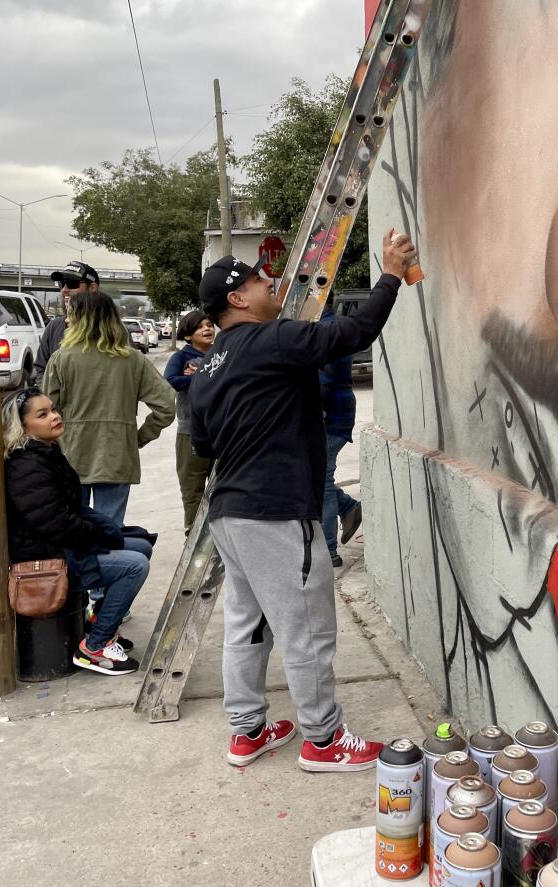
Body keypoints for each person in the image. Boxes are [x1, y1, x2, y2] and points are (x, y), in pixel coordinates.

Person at [187, 230, 416, 771]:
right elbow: (353, 333)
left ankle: (247, 732)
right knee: (307, 625)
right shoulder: (272, 340)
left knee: (248, 625)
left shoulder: (208, 366)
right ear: (237, 299)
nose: (272, 284)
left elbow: (202, 445)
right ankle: (323, 739)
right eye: (260, 281)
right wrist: (389, 274)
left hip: (230, 514)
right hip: (276, 512)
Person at [3, 387, 153, 675]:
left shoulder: (46, 452)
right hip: (45, 561)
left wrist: (108, 530)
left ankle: (100, 623)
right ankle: (94, 648)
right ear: (23, 426)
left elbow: (72, 511)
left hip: (60, 547)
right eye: (43, 414)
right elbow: (57, 524)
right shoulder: (26, 465)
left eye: (54, 410)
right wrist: (100, 535)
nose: (55, 417)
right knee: (134, 566)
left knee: (140, 545)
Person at [43, 290, 175, 526]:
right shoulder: (133, 360)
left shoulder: (61, 359)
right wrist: (138, 438)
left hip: (71, 456)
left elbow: (45, 412)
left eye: (70, 315)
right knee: (110, 533)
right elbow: (166, 406)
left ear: (82, 319)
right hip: (117, 454)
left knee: (75, 533)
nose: (65, 320)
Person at [319, 293, 363, 568]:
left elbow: (320, 382)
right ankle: (347, 507)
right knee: (314, 479)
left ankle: (327, 551)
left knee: (320, 482)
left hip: (328, 419)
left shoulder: (323, 330)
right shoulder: (330, 325)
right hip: (337, 416)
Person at [164, 311, 216, 533]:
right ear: (187, 336)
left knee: (222, 487)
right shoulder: (181, 357)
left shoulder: (221, 353)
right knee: (192, 489)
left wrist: (199, 375)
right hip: (190, 432)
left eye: (209, 324)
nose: (207, 329)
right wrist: (201, 377)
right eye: (199, 327)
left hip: (222, 431)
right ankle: (193, 533)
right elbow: (172, 381)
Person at [38, 260, 99, 379]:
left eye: (72, 283)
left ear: (92, 288)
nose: (64, 290)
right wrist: (49, 395)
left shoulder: (113, 329)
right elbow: (41, 369)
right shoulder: (54, 327)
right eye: (62, 283)